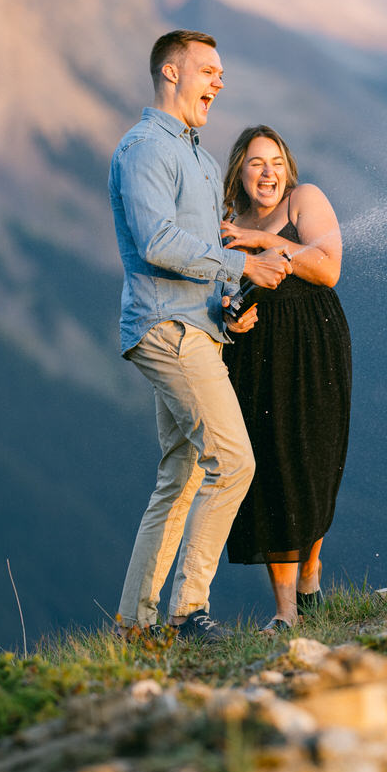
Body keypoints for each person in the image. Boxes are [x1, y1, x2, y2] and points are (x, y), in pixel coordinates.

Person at [109, 31, 292, 641]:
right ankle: (188, 614)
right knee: (235, 461)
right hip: (166, 328)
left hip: (199, 326)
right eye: (208, 70)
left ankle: (133, 627)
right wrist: (243, 267)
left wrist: (228, 305)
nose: (219, 81)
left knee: (181, 476)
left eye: (221, 72)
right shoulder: (143, 150)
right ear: (170, 72)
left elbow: (202, 253)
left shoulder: (203, 160)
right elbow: (157, 242)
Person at [219, 125, 352, 631]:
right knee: (269, 468)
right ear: (240, 172)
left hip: (314, 345)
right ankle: (286, 613)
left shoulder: (303, 200)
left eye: (275, 161)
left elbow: (328, 268)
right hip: (253, 354)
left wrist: (263, 240)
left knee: (313, 460)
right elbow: (221, 288)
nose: (267, 171)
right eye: (255, 162)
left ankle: (311, 567)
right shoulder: (228, 222)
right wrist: (229, 315)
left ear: (288, 168)